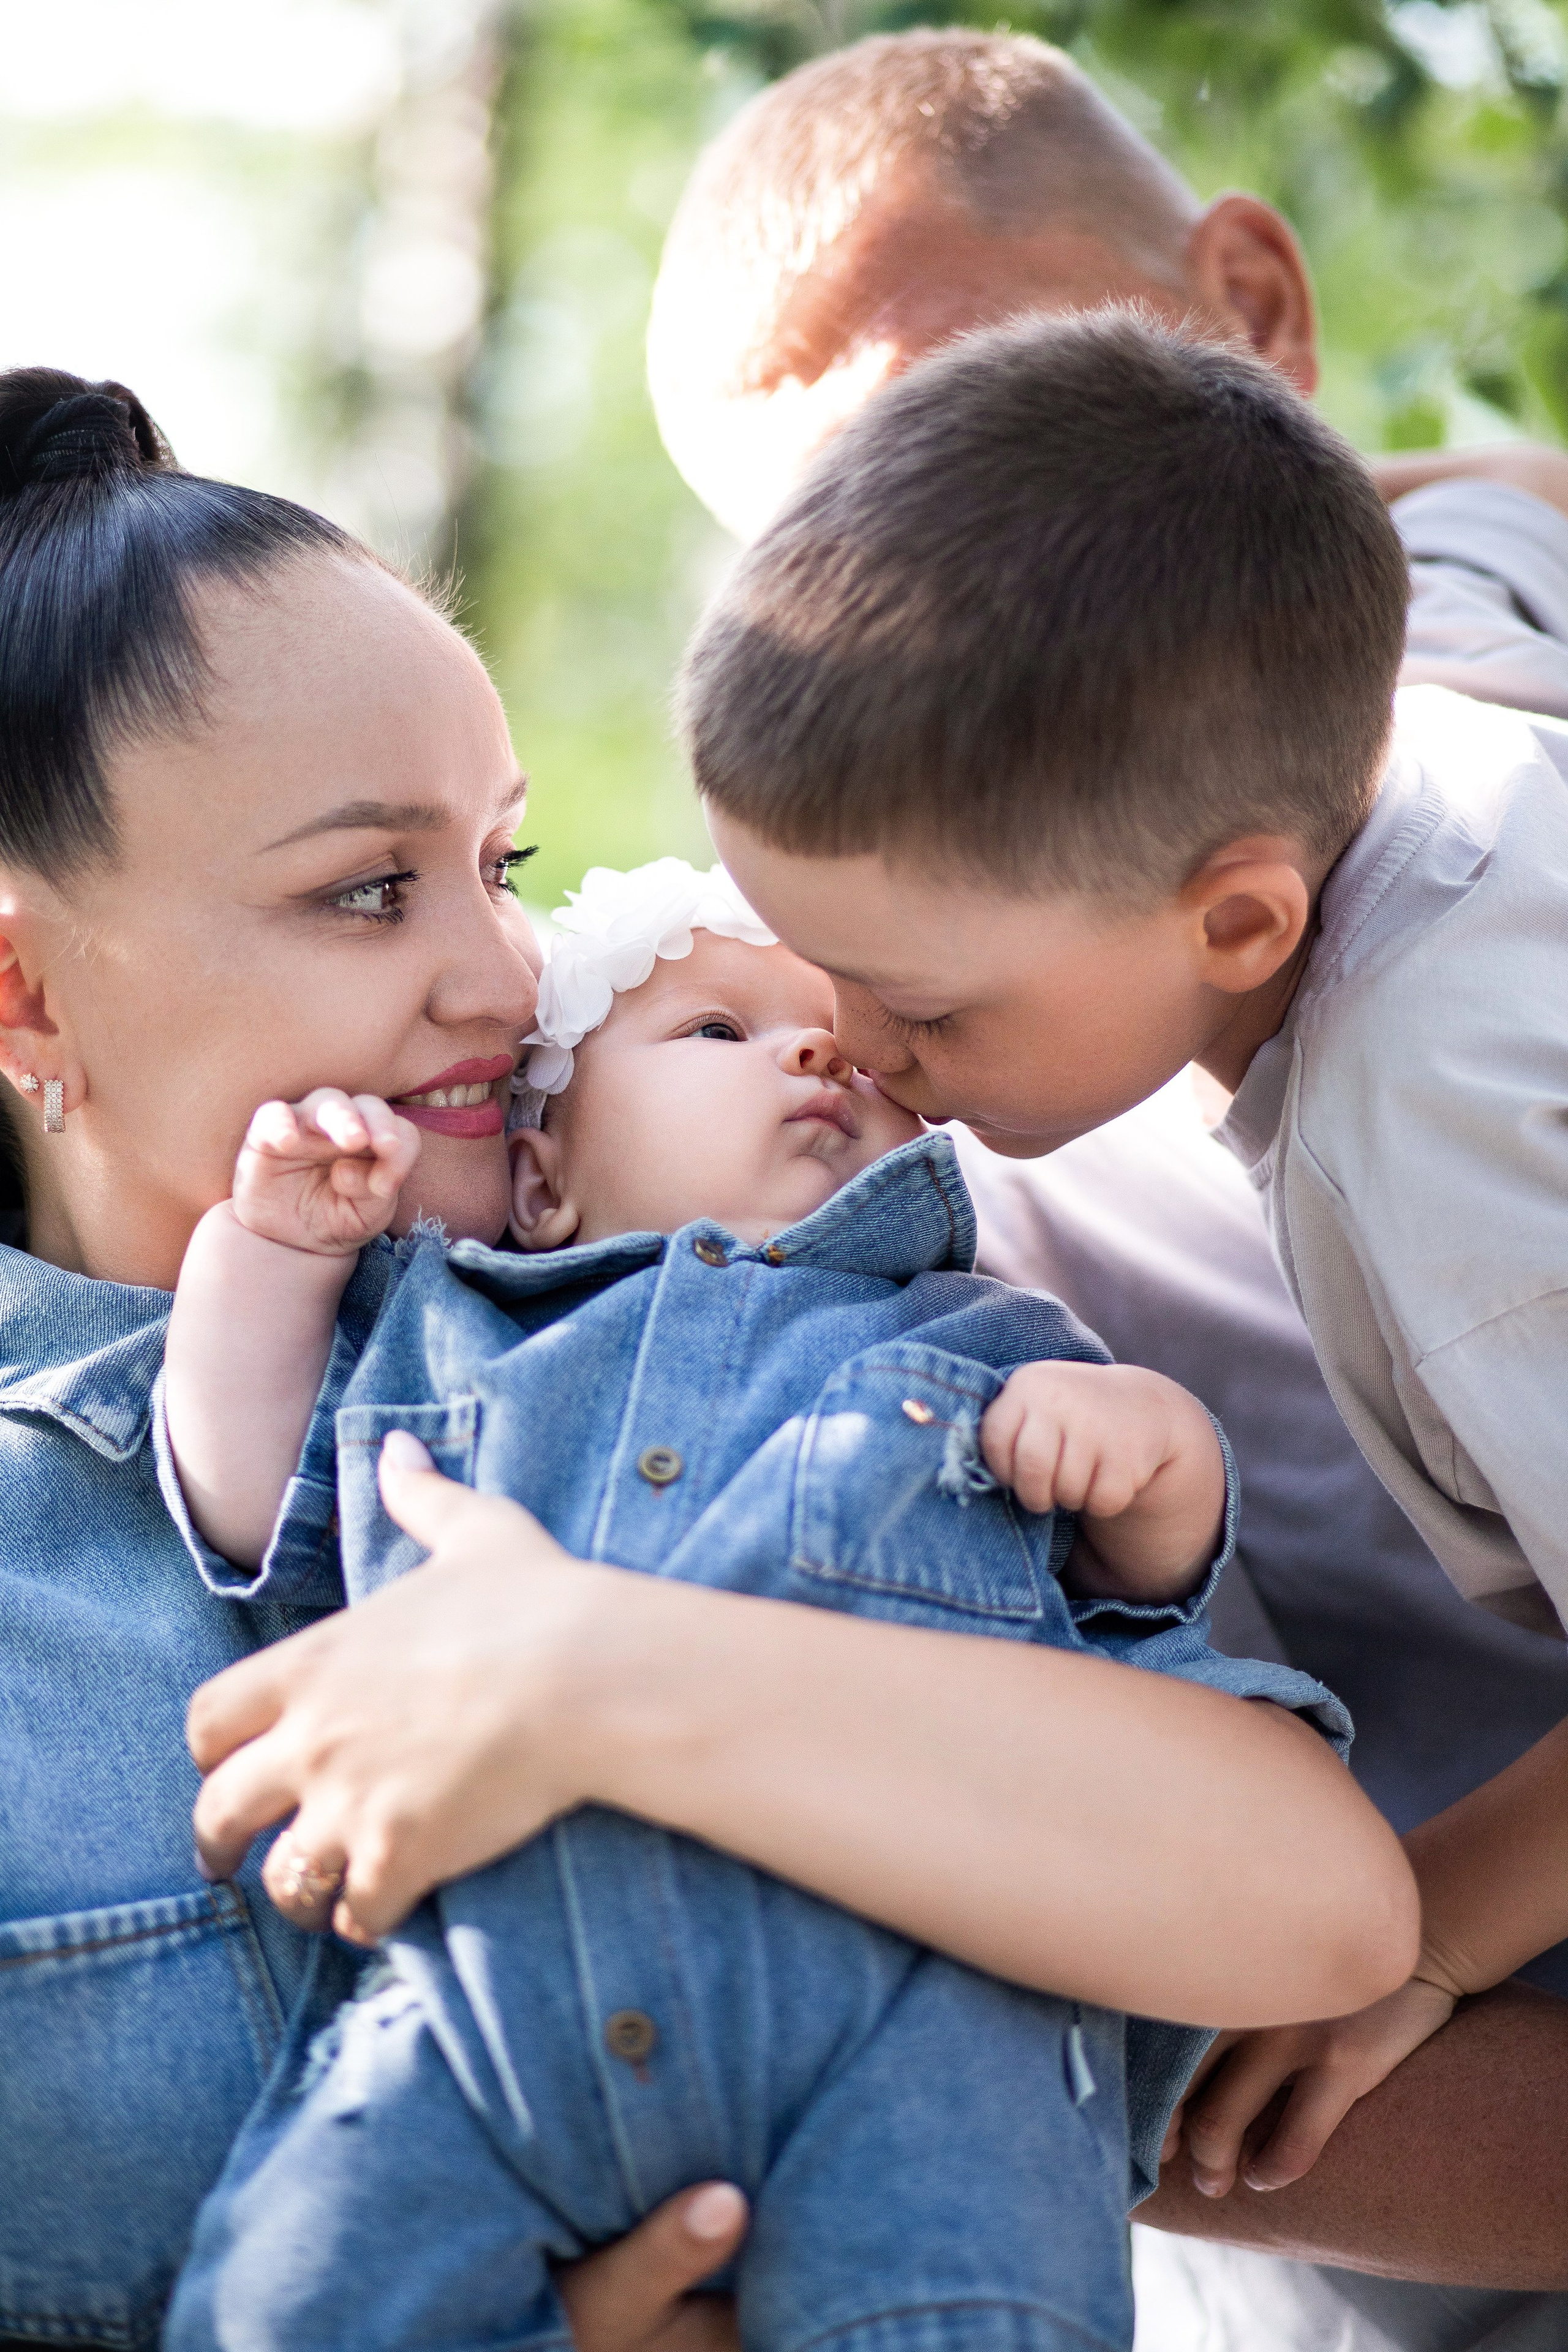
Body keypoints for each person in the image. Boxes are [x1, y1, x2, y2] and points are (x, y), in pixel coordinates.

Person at [0, 361, 1387, 2352]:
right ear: (25, 993)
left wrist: (603, 1674)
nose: (500, 975)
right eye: (367, 890)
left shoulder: (793, 1339)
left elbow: (1323, 1910)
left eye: (502, 867)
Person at [642, 31, 1568, 2343]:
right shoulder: (1222, 817)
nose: (850, 1047)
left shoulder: (1426, 1082)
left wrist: (1427, 1945)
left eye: (974, 480)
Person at [162, 859, 1397, 2352]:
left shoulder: (985, 1336)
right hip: (489, 2015)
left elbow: (1121, 1641)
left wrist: (1156, 1466)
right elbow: (249, 1495)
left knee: (960, 2309)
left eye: (849, 1040)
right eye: (715, 1030)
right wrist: (273, 1254)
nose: (816, 1048)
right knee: (291, 2299)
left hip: (913, 2054)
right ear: (541, 1179)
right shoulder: (448, 1331)